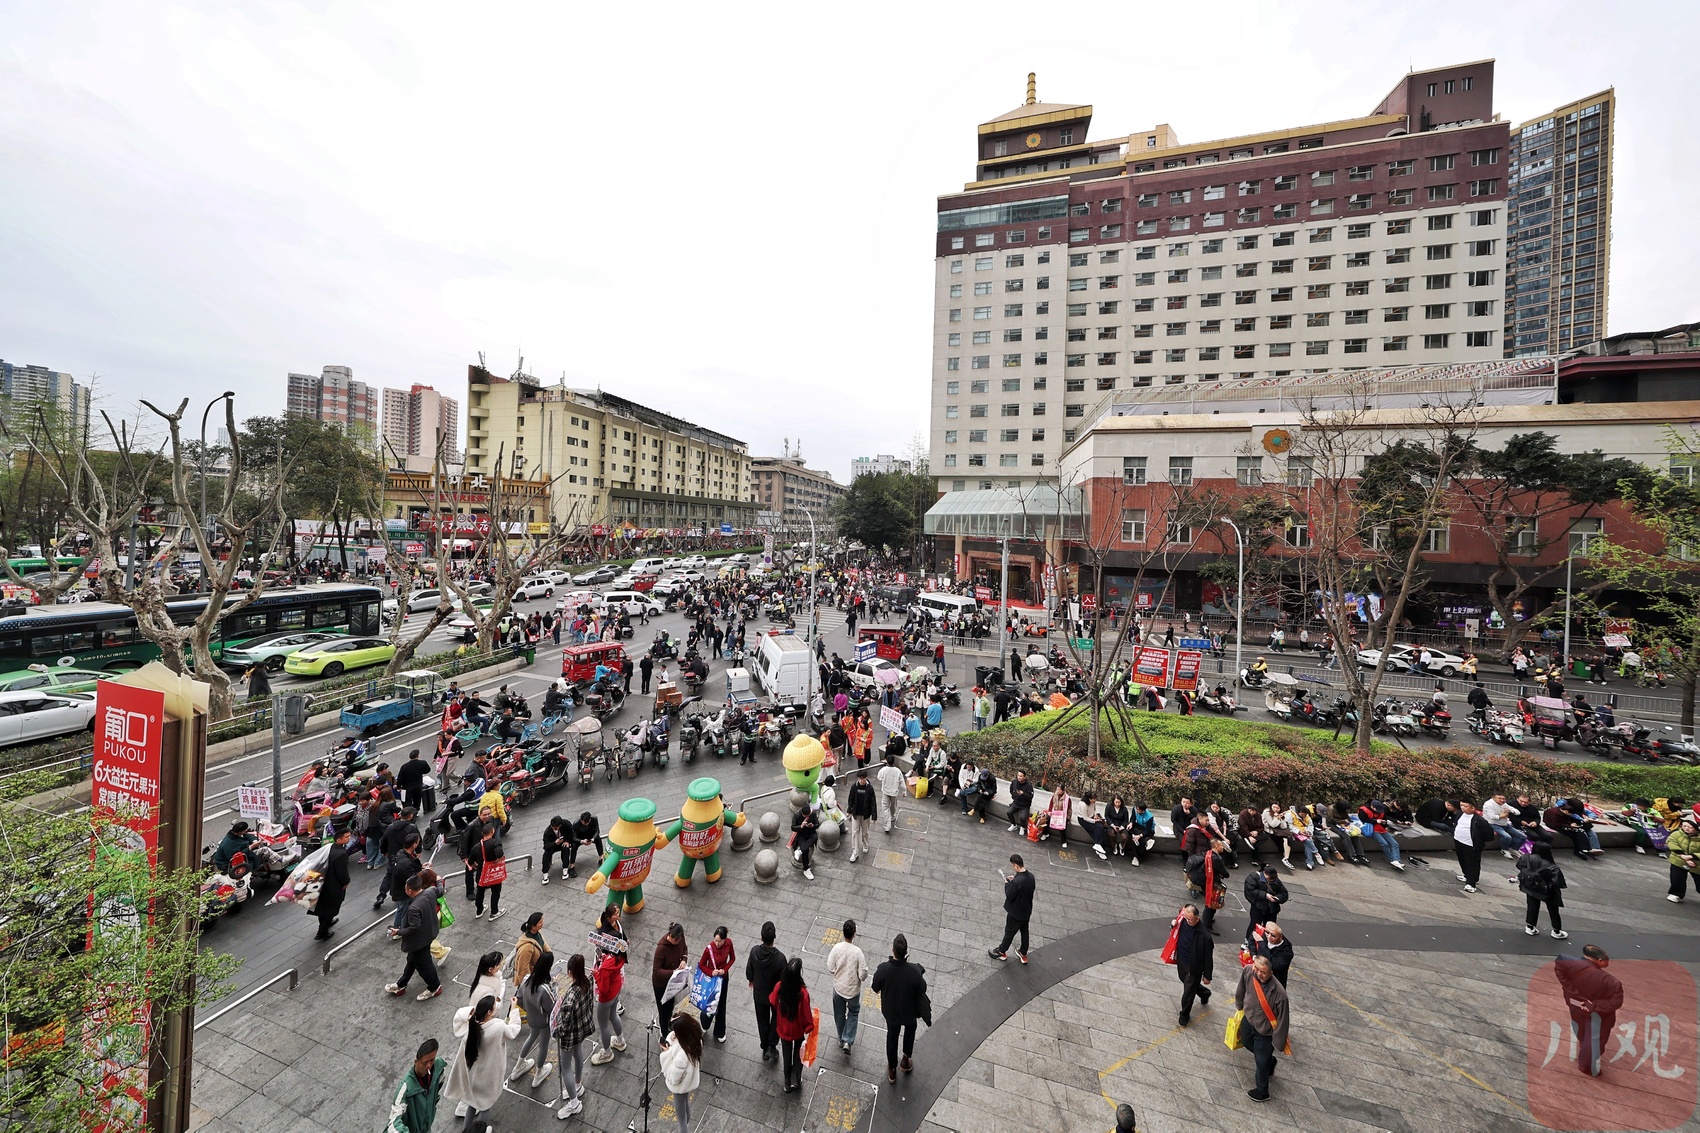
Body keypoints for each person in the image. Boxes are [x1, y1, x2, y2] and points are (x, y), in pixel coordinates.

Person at [445, 994, 522, 1133]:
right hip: (488, 1077)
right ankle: (481, 1130)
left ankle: (466, 1131)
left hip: (472, 1076)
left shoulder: (469, 1028)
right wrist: (514, 1008)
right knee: (486, 1107)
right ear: (489, 1012)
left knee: (472, 1105)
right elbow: (513, 1030)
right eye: (494, 1006)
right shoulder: (497, 1027)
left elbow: (458, 1017)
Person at [871, 933, 929, 1086]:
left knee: (892, 1036)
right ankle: (905, 1060)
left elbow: (875, 987)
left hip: (891, 1012)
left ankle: (892, 1069)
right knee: (910, 1030)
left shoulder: (883, 969)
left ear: (893, 951)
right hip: (909, 1012)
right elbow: (923, 988)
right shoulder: (913, 972)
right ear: (906, 952)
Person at [1556, 946, 1622, 1078]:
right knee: (1595, 1037)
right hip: (1598, 1011)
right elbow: (1616, 1002)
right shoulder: (1611, 981)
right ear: (1600, 960)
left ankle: (1583, 1045)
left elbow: (1561, 973)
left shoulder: (1565, 961)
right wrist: (1593, 1005)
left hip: (1575, 1004)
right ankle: (1586, 1065)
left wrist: (1571, 991)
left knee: (1580, 1027)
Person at [1235, 954, 1290, 1103]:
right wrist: (1239, 1004)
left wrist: (1278, 1041)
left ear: (1271, 973)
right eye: (1257, 969)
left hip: (1265, 1031)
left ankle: (1262, 1091)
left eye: (1263, 972)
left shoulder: (1280, 994)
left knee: (1260, 1060)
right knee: (1246, 1042)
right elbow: (1241, 988)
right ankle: (1269, 1061)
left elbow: (1283, 1019)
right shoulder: (1248, 971)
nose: (1259, 974)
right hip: (1249, 1021)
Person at [386, 874, 446, 1001]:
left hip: (419, 941)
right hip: (429, 933)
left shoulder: (413, 908)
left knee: (424, 965)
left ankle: (435, 987)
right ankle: (401, 984)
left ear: (409, 890)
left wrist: (398, 932)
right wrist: (439, 880)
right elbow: (440, 890)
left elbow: (414, 927)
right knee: (412, 959)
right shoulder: (431, 892)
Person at [551, 952, 596, 1118]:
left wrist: (555, 1031)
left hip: (569, 1035)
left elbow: (564, 1026)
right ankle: (577, 1085)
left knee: (565, 1068)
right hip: (582, 1028)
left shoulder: (570, 997)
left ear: (570, 972)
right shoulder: (588, 980)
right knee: (578, 1054)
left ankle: (574, 1103)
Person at [512, 951, 558, 1089]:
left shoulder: (526, 979)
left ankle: (518, 1067)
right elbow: (552, 1007)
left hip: (531, 1018)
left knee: (531, 1037)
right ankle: (538, 1074)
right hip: (544, 1022)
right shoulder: (545, 989)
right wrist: (555, 986)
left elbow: (519, 999)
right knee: (543, 1045)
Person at [770, 958, 816, 1094]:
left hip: (783, 1028)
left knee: (786, 1054)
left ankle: (786, 1081)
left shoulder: (779, 986)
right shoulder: (802, 992)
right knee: (798, 1053)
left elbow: (773, 1001)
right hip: (797, 1029)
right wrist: (809, 1027)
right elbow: (806, 1013)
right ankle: (795, 1078)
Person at [827, 919, 870, 1055]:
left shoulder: (836, 948)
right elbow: (863, 974)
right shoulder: (858, 952)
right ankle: (848, 1040)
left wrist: (837, 973)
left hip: (838, 988)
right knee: (853, 1013)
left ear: (843, 932)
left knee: (839, 1013)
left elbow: (830, 966)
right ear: (854, 934)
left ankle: (841, 1038)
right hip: (853, 991)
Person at [387, 1038, 448, 1133]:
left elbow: (439, 1084)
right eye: (424, 1063)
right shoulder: (405, 1089)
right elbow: (393, 1124)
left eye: (431, 1060)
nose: (428, 1065)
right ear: (416, 1062)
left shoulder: (438, 1067)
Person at [746, 921, 786, 1064]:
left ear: (761, 937)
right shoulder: (780, 958)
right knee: (776, 1018)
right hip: (775, 996)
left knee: (762, 1020)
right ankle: (772, 1045)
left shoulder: (754, 952)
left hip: (759, 994)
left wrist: (752, 979)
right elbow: (784, 980)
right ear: (774, 937)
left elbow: (749, 971)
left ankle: (765, 1047)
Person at [988, 852, 1036, 963]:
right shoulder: (1031, 877)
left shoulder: (1017, 882)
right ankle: (1023, 952)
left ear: (1016, 866)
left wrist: (1007, 884)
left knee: (1009, 932)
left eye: (1013, 866)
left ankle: (1002, 952)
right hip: (1026, 911)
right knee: (1024, 931)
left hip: (1015, 913)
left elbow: (1010, 895)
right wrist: (1014, 879)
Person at [659, 1013, 704, 1133]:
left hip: (680, 1087)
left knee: (681, 1120)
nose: (673, 1033)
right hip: (688, 1083)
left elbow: (673, 1077)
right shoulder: (695, 1039)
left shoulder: (681, 1058)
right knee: (685, 1107)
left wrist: (666, 1053)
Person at [1172, 903, 1213, 1027]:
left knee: (1188, 994)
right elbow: (1176, 929)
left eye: (1190, 919)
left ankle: (1184, 1015)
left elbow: (1208, 958)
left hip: (1194, 967)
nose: (1187, 921)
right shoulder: (1183, 921)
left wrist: (1207, 975)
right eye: (1186, 918)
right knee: (1184, 980)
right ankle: (1204, 993)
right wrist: (1173, 924)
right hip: (1182, 960)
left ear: (1197, 918)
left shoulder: (1205, 937)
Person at [1516, 844, 1568, 938]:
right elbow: (1558, 882)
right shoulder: (1552, 867)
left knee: (1532, 906)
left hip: (1530, 886)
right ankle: (1556, 931)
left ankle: (1530, 927)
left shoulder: (1526, 858)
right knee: (1553, 910)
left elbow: (1519, 866)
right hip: (1546, 890)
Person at [588, 945, 628, 1066]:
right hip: (616, 990)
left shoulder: (605, 968)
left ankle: (607, 1053)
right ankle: (620, 1041)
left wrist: (596, 975)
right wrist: (604, 958)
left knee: (603, 1025)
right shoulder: (619, 957)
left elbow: (603, 990)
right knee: (613, 1015)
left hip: (606, 998)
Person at [697, 926, 736, 1043]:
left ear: (725, 939)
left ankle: (720, 1031)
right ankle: (705, 1023)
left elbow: (732, 958)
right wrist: (711, 972)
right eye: (715, 940)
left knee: (721, 1004)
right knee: (710, 1003)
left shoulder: (729, 943)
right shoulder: (709, 949)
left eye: (720, 941)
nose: (717, 943)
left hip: (723, 979)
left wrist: (725, 969)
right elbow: (701, 965)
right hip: (712, 980)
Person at [313, 828, 353, 941]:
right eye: (347, 837)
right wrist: (346, 882)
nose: (349, 838)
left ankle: (325, 923)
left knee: (323, 907)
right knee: (332, 909)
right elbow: (342, 872)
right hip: (334, 886)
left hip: (322, 883)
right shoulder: (341, 854)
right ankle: (322, 932)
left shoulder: (329, 848)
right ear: (339, 840)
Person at [652, 922, 689, 1036]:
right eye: (671, 938)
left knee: (671, 1005)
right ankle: (664, 1032)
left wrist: (684, 959)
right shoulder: (661, 948)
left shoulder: (681, 939)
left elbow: (684, 949)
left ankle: (669, 1023)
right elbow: (656, 972)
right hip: (661, 984)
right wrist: (673, 972)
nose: (670, 940)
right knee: (663, 1009)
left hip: (673, 981)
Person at [1452, 800, 1494, 894]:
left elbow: (1488, 833)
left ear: (1473, 808)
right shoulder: (1459, 814)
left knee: (1472, 863)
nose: (1463, 808)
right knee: (1462, 859)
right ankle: (1466, 875)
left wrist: (1479, 841)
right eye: (1461, 805)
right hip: (1459, 840)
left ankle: (1471, 883)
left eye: (1465, 806)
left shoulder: (1479, 820)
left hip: (1471, 844)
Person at [469, 822, 506, 921]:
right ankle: (494, 912)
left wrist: (477, 866)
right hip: (493, 873)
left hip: (481, 873)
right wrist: (498, 860)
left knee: (480, 891)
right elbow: (500, 854)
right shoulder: (495, 843)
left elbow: (470, 862)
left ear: (482, 833)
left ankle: (479, 911)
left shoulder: (476, 847)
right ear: (492, 832)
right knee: (495, 892)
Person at [1357, 800, 1406, 871]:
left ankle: (1397, 860)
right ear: (1372, 807)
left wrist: (1384, 822)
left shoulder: (1382, 809)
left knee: (1395, 844)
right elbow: (1363, 821)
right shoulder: (1363, 810)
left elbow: (1385, 817)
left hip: (1381, 829)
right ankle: (1392, 860)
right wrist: (1375, 821)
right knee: (1384, 844)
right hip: (1372, 829)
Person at [1243, 863, 1287, 936]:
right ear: (1264, 873)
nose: (1271, 881)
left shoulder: (1275, 880)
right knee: (1254, 926)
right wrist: (1265, 895)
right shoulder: (1253, 877)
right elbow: (1250, 891)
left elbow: (1284, 893)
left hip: (1271, 909)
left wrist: (1277, 898)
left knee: (1270, 928)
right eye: (1269, 879)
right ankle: (1249, 940)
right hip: (1258, 907)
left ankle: (1266, 940)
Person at [846, 770, 877, 863]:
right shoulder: (854, 787)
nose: (861, 781)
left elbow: (873, 803)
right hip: (856, 813)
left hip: (865, 815)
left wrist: (874, 816)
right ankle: (855, 852)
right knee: (855, 833)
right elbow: (850, 799)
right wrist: (849, 810)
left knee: (865, 832)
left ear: (866, 778)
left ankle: (865, 845)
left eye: (863, 779)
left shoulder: (870, 788)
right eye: (860, 779)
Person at [1667, 815, 1700, 902]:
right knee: (1677, 878)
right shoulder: (1676, 834)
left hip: (1697, 862)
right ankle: (1676, 893)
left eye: (1690, 827)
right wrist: (1684, 856)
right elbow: (1671, 842)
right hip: (1679, 859)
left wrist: (1692, 857)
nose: (1686, 829)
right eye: (1684, 826)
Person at [1251, 922, 1294, 986]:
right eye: (1267, 932)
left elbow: (1274, 965)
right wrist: (1254, 955)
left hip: (1274, 982)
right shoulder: (1262, 933)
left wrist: (1262, 944)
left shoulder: (1287, 952)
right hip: (1256, 977)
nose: (1269, 937)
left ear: (1280, 936)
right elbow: (1252, 941)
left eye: (1273, 935)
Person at [514, 912, 550, 987]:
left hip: (538, 973)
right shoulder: (526, 948)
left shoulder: (537, 933)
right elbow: (523, 969)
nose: (542, 923)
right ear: (533, 927)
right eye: (540, 922)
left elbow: (543, 944)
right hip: (532, 980)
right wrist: (528, 986)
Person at [791, 803, 821, 881]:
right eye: (805, 816)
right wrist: (801, 826)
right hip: (801, 834)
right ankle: (806, 869)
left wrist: (812, 825)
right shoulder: (796, 814)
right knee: (806, 850)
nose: (807, 817)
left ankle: (799, 851)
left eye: (808, 815)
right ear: (802, 813)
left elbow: (817, 824)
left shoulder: (813, 813)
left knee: (815, 837)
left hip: (811, 832)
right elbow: (793, 827)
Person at [877, 754, 906, 833]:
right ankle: (892, 816)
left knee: (885, 808)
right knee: (893, 805)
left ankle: (887, 825)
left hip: (885, 791)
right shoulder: (897, 771)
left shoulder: (883, 770)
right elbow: (902, 782)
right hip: (894, 792)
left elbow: (879, 778)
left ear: (887, 761)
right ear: (894, 762)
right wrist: (904, 791)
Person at [540, 816, 573, 885]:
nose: (556, 829)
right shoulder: (547, 832)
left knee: (565, 848)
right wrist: (554, 843)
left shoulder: (566, 824)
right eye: (554, 828)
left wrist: (567, 841)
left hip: (563, 842)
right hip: (553, 845)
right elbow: (546, 846)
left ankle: (565, 868)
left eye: (557, 827)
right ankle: (545, 872)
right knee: (547, 853)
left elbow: (571, 831)